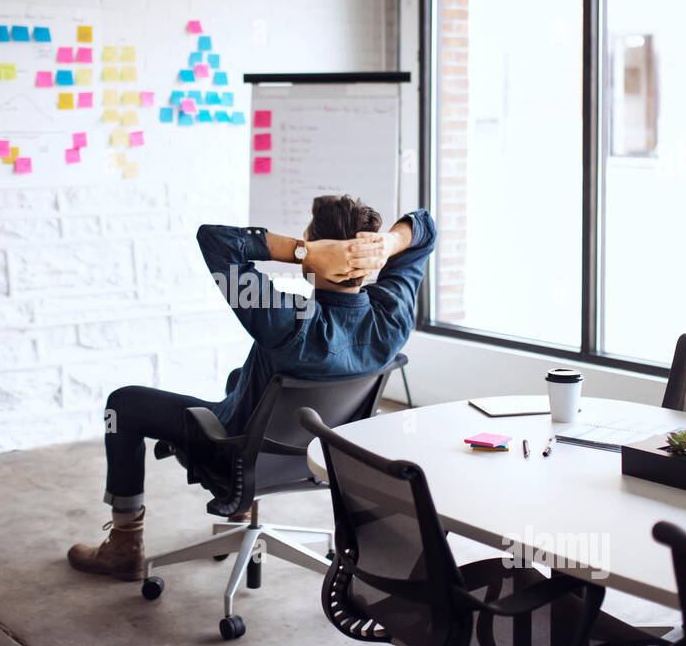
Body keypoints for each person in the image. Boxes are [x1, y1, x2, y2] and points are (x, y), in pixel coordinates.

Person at [67, 195, 437, 580]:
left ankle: (125, 544)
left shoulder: (284, 320)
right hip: (315, 456)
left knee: (121, 406)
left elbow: (214, 240)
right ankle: (242, 506)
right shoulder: (392, 320)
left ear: (319, 251)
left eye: (308, 238)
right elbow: (424, 229)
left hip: (233, 450)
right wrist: (388, 245)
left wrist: (300, 252)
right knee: (240, 379)